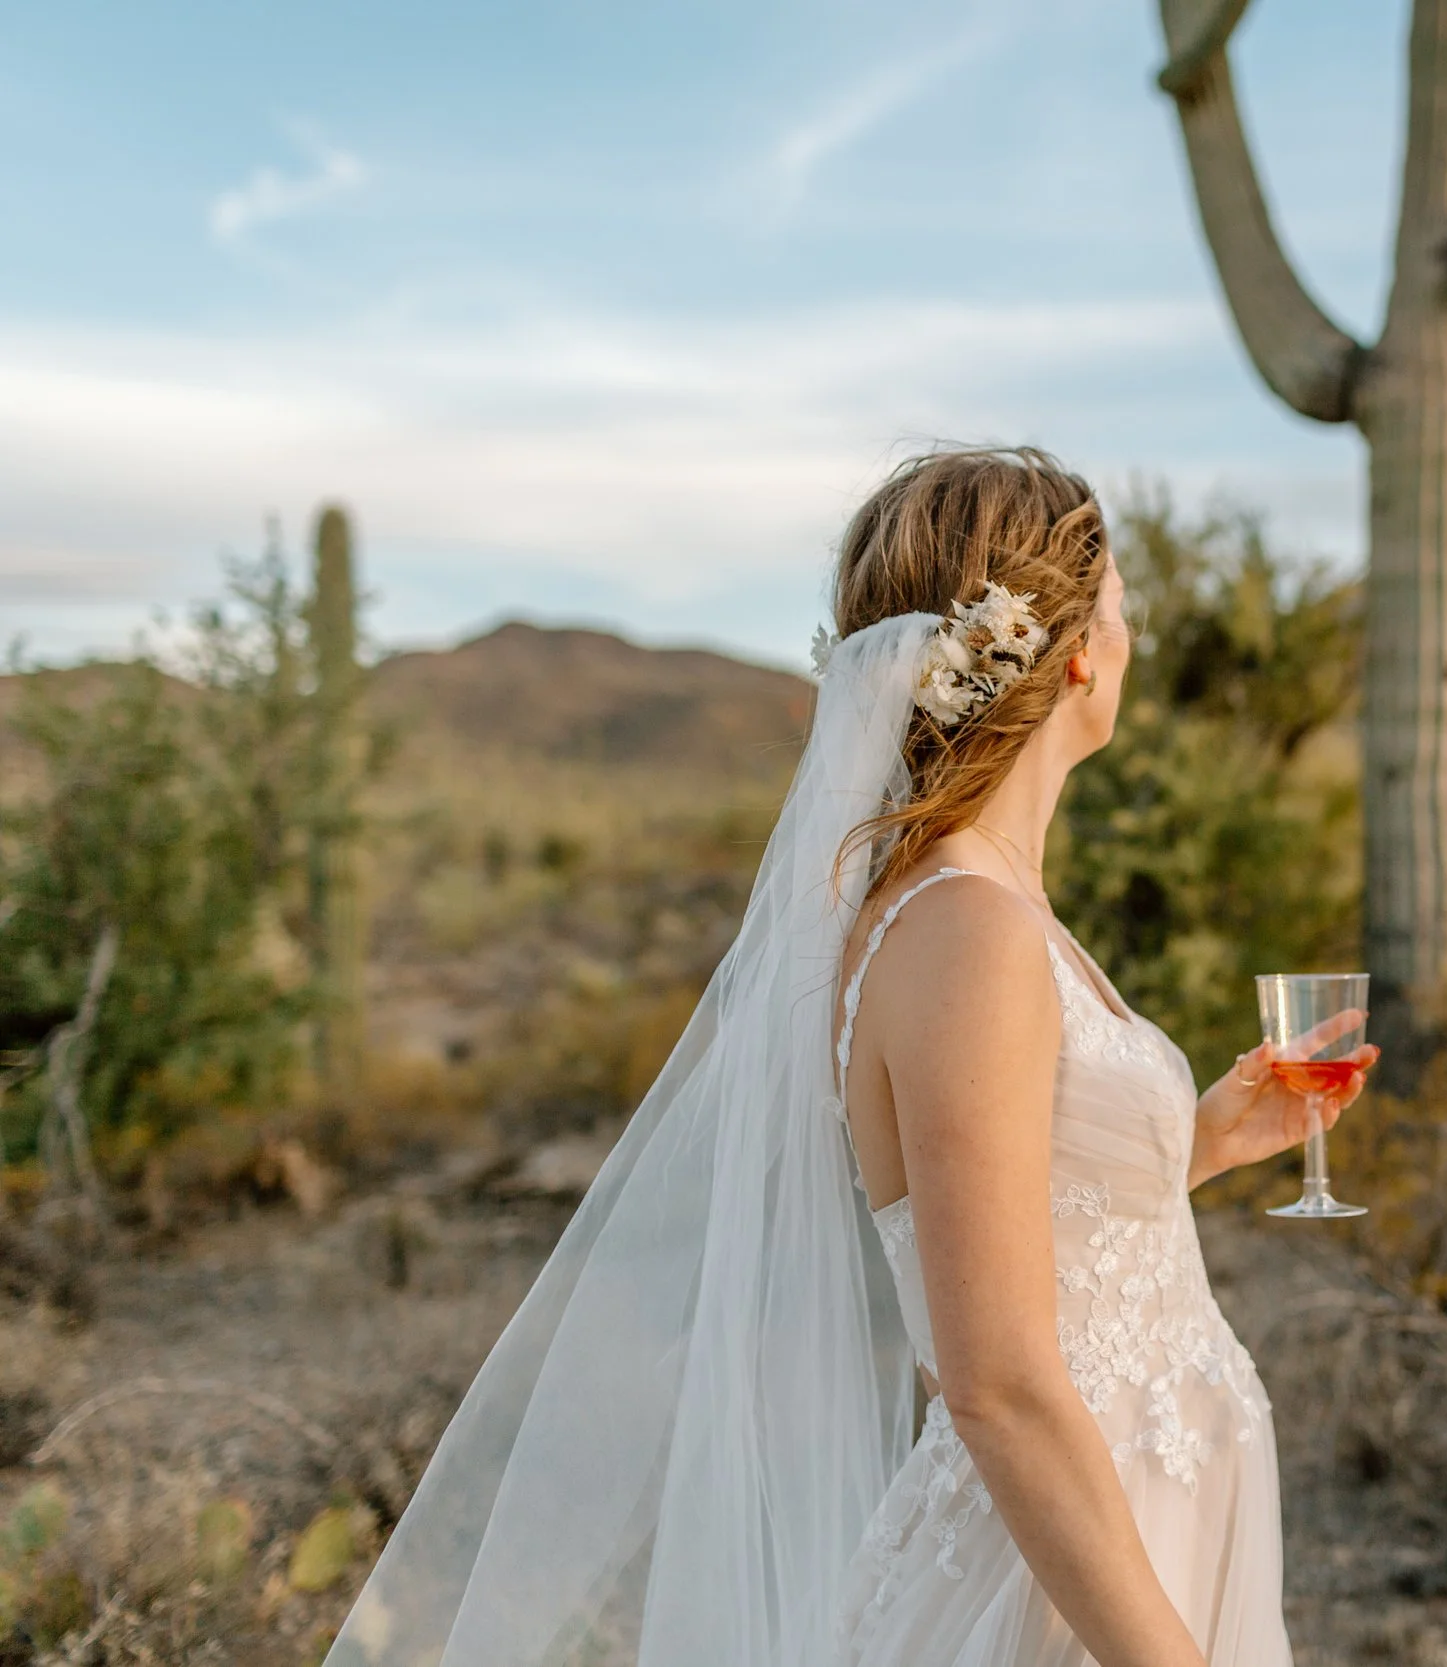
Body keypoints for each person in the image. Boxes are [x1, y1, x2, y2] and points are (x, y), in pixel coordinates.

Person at [326, 447, 1375, 1667]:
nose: (1132, 636)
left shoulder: (983, 907)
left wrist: (1198, 1141)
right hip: (1061, 1574)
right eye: (1124, 606)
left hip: (1148, 1508)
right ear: (1078, 646)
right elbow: (996, 1381)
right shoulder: (964, 931)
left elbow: (1021, 1223)